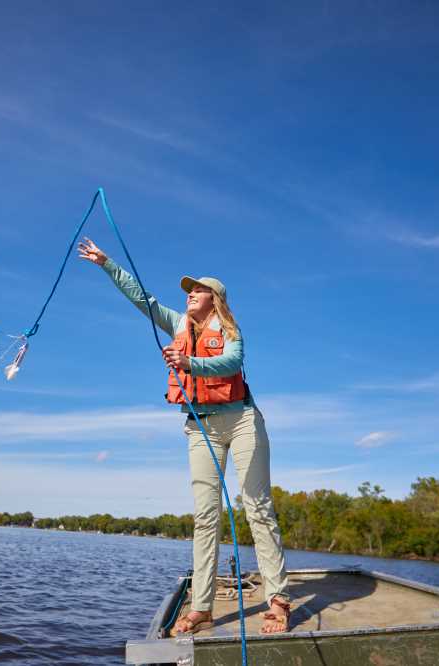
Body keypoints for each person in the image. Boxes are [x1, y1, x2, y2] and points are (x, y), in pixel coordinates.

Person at [77, 237, 292, 635]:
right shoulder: (178, 323)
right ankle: (203, 607)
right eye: (189, 291)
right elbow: (143, 298)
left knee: (256, 505)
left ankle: (277, 599)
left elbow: (232, 361)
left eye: (198, 290)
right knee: (206, 516)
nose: (191, 294)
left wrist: (190, 362)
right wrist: (107, 263)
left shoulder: (229, 328)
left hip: (242, 421)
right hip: (200, 427)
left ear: (216, 298)